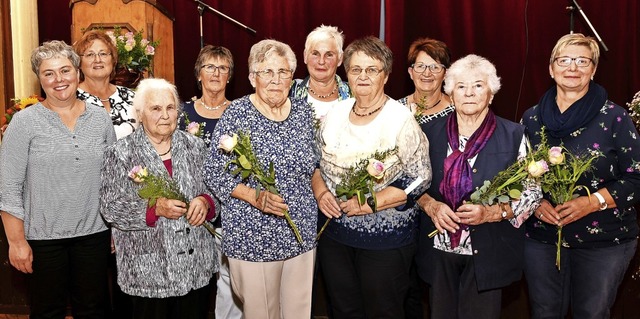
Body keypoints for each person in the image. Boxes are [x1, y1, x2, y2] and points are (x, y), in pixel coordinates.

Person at [522, 33, 640, 319]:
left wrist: (592, 202)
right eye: (564, 60)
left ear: (593, 69)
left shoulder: (615, 117)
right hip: (543, 238)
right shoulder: (531, 118)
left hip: (604, 240)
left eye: (582, 61)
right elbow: (519, 174)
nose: (572, 67)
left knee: (592, 313)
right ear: (551, 68)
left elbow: (637, 179)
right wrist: (535, 203)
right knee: (544, 312)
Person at [313, 36, 432, 318]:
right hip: (335, 236)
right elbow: (313, 163)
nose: (362, 76)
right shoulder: (335, 113)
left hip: (385, 242)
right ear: (347, 74)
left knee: (382, 311)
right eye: (356, 70)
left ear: (386, 75)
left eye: (372, 70)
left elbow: (420, 178)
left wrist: (370, 203)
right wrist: (321, 193)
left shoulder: (401, 119)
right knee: (343, 310)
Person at [415, 54, 541, 319]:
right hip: (438, 250)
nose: (469, 93)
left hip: (490, 250)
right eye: (461, 86)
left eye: (478, 86)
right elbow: (412, 184)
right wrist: (431, 205)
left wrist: (493, 213)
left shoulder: (514, 134)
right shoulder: (427, 132)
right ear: (451, 93)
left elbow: (532, 191)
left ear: (491, 94)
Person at [0, 40, 116, 318]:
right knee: (47, 312)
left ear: (78, 72)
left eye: (65, 70)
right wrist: (16, 242)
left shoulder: (101, 119)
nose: (58, 80)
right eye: (48, 73)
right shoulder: (24, 122)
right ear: (40, 80)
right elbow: (8, 186)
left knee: (94, 310)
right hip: (43, 239)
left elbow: (113, 181)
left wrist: (115, 227)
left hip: (94, 235)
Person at [204, 39, 318, 319]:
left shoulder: (303, 113)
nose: (276, 80)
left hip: (300, 233)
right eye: (267, 72)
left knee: (298, 312)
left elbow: (314, 166)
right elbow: (213, 170)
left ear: (292, 78)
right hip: (252, 235)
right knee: (261, 314)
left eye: (283, 72)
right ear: (252, 77)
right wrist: (256, 197)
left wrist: (324, 194)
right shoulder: (238, 113)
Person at [100, 78, 218, 319]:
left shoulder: (196, 147)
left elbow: (217, 190)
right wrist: (156, 208)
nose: (165, 115)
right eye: (155, 109)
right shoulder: (120, 153)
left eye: (170, 107)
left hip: (195, 267)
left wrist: (206, 201)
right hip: (148, 272)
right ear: (140, 114)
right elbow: (110, 207)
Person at [178, 45, 243, 318]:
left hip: (233, 213)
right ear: (198, 74)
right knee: (194, 288)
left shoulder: (242, 113)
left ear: (229, 76)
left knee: (232, 287)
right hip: (192, 216)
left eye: (223, 68)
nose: (216, 73)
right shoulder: (181, 113)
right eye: (209, 67)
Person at [73, 29, 137, 140]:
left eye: (103, 54)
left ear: (113, 60)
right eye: (90, 55)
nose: (97, 60)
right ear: (79, 62)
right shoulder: (70, 99)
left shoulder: (132, 97)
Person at [290, 25, 351, 122]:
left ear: (340, 59)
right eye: (315, 53)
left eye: (329, 55)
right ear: (305, 56)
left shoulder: (354, 95)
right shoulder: (289, 91)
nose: (321, 61)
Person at [399, 37, 454, 123]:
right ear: (411, 72)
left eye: (435, 67)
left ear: (445, 74)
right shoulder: (396, 109)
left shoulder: (456, 111)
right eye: (421, 66)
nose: (427, 73)